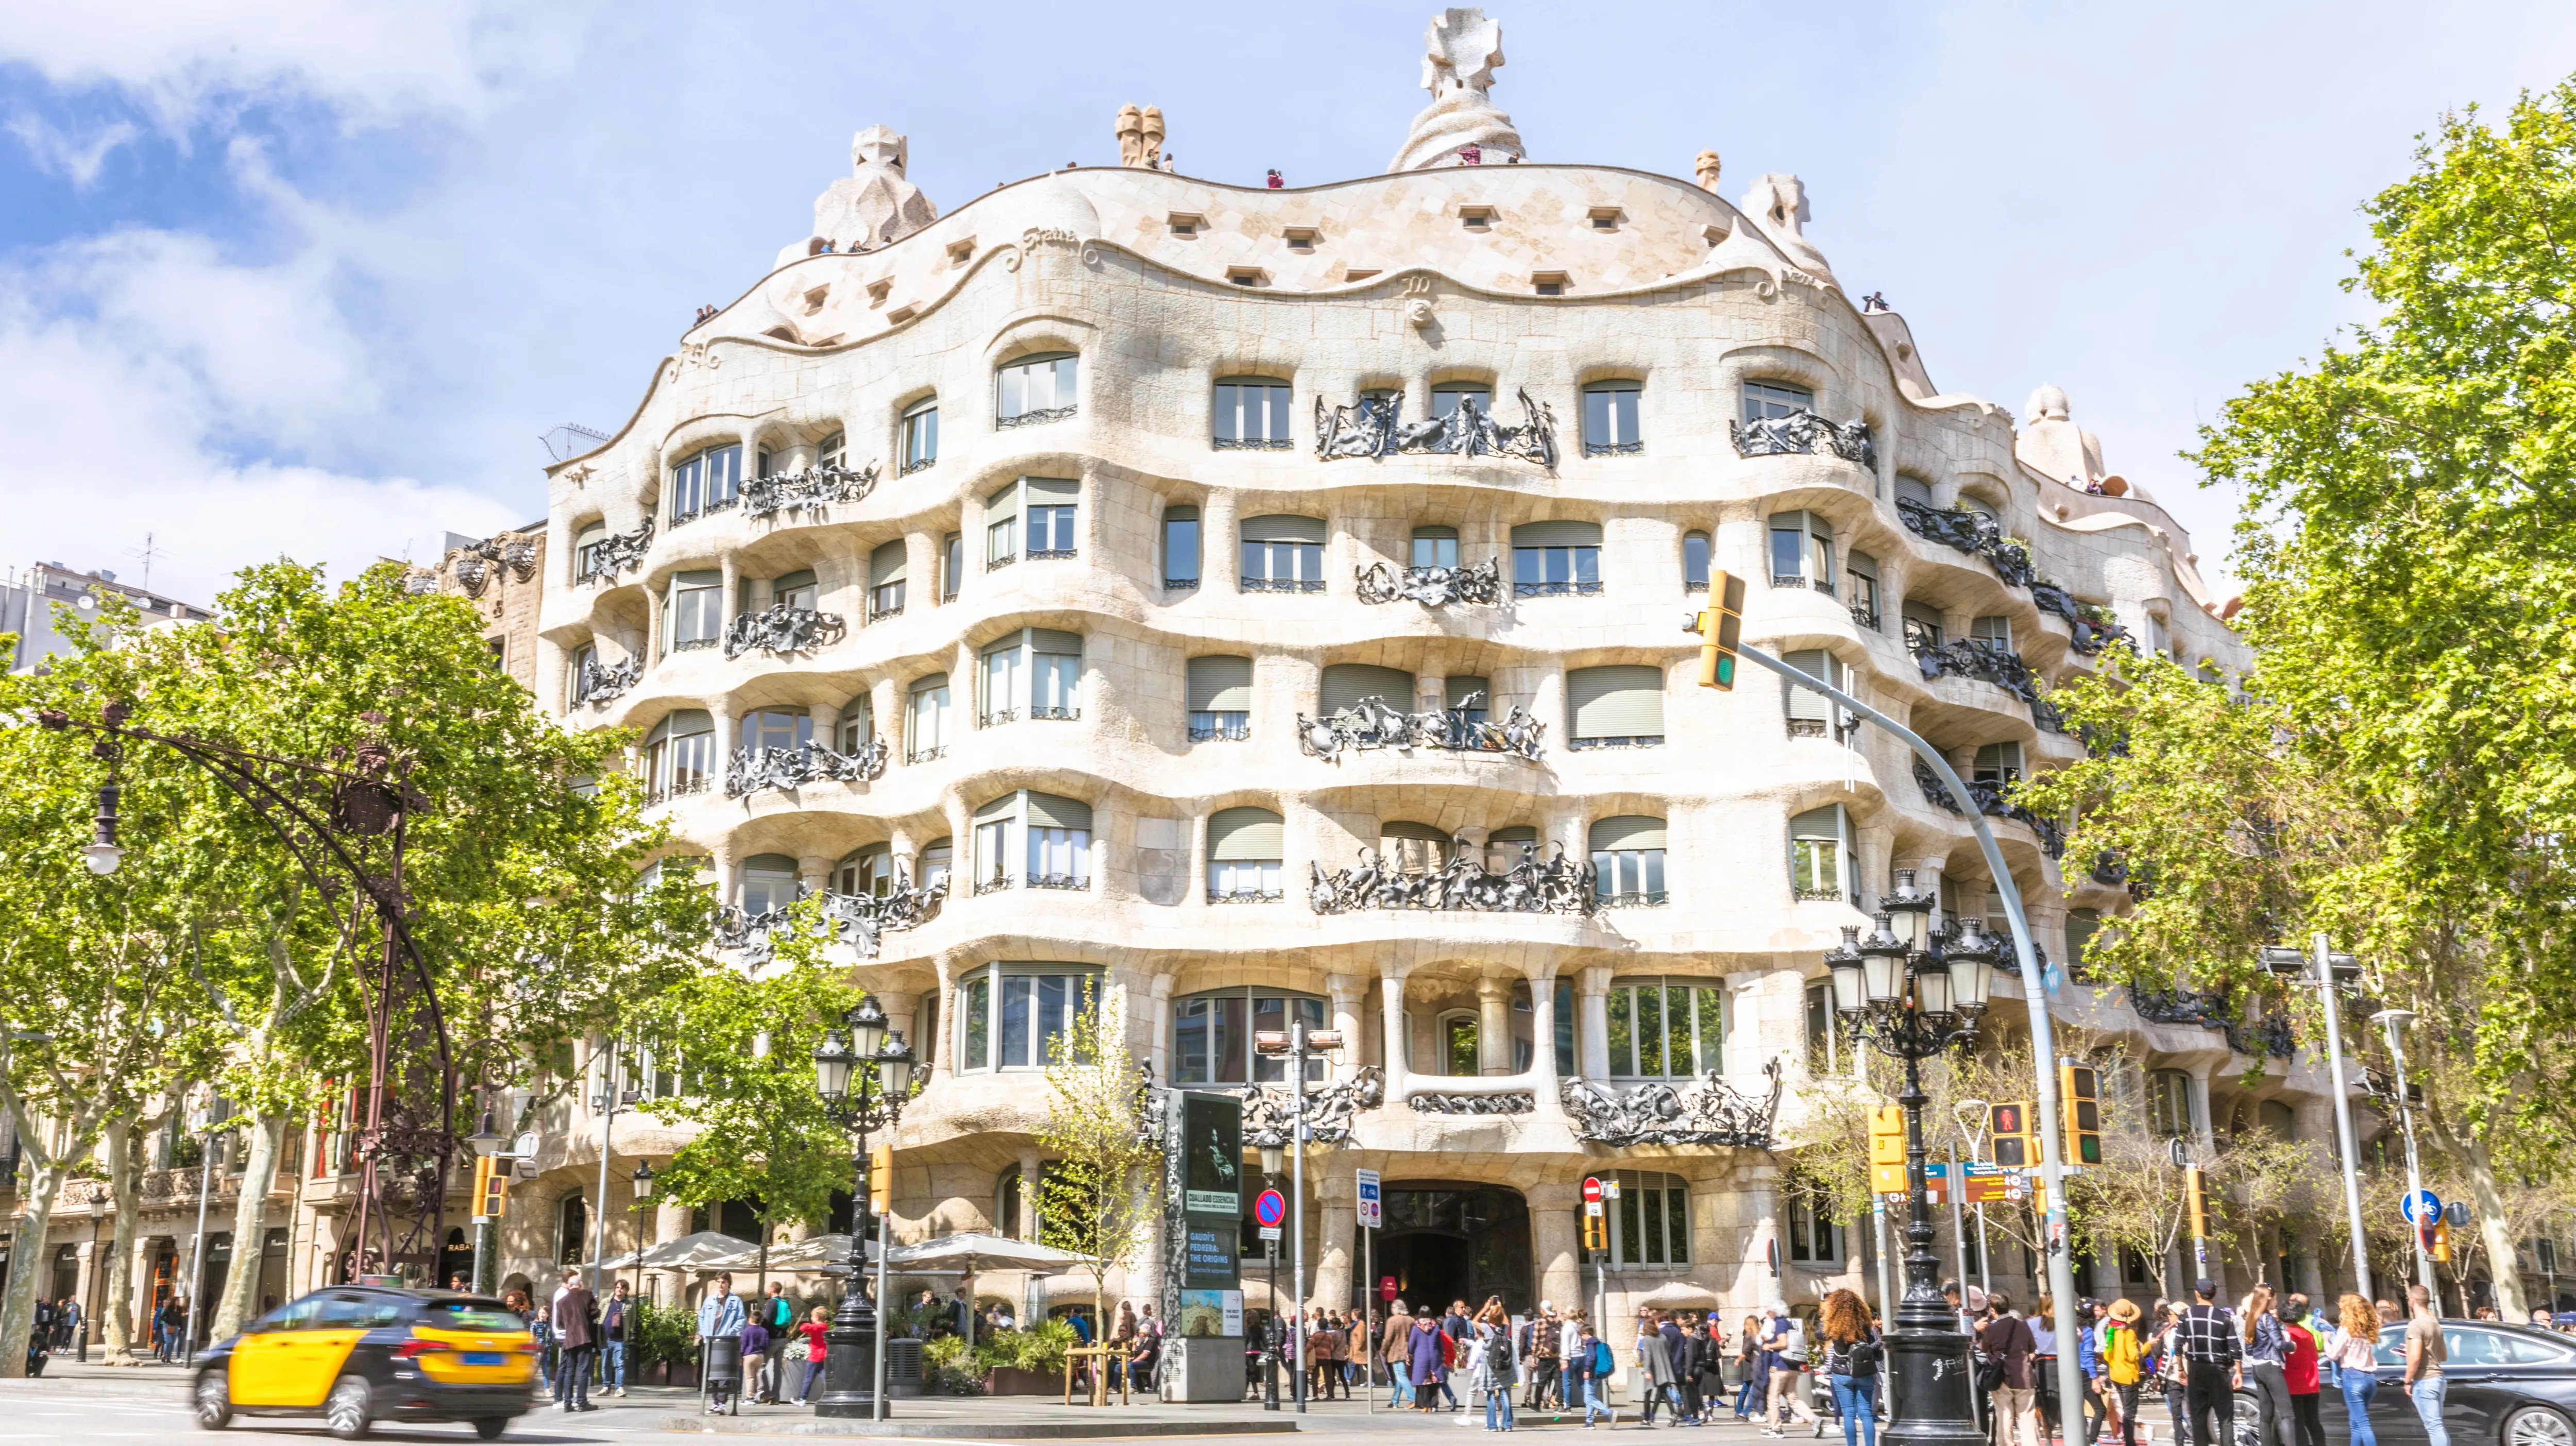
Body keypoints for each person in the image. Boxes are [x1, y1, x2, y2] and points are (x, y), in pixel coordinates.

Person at [2178, 1280, 2243, 1446]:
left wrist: (2180, 1369)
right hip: (2219, 1371)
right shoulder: (2224, 1317)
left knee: (2198, 1418)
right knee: (2225, 1419)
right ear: (2215, 1294)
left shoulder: (2186, 1316)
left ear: (2197, 1294)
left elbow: (2178, 1345)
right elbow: (2235, 1347)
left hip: (2196, 1370)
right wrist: (2239, 1372)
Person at [1820, 1288, 1883, 1446]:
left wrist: (1826, 1316)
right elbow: (1872, 1342)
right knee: (1866, 1413)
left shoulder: (1833, 1325)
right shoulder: (1865, 1323)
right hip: (1864, 1371)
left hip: (1842, 1373)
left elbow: (1820, 1334)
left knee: (1848, 1414)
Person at [1980, 1292, 2042, 1446]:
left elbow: (1983, 1348)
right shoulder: (2023, 1325)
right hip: (2024, 1376)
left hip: (2002, 1377)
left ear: (1992, 1310)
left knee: (2004, 1415)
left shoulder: (1991, 1329)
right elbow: (2032, 1347)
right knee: (2027, 1417)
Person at [2324, 1295, 2381, 1446]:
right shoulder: (2368, 1330)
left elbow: (2333, 1355)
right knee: (2356, 1423)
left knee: (2363, 1425)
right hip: (2370, 1378)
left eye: (2342, 1308)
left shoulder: (2346, 1330)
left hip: (2353, 1377)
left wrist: (2325, 1340)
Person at [2242, 1286, 2293, 1446]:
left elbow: (2249, 1350)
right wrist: (2292, 1346)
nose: (2277, 1302)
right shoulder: (2268, 1319)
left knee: (2265, 1417)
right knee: (2287, 1415)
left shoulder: (2252, 1318)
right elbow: (2279, 1344)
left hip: (2257, 1367)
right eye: (2275, 1299)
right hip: (2271, 1366)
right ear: (2269, 1298)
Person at [2402, 1284, 2448, 1446]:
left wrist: (2407, 1381)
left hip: (2425, 1380)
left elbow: (2415, 1358)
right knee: (2438, 1426)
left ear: (2412, 1300)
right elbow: (2443, 1356)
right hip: (2438, 1379)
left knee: (2434, 1427)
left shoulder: (2416, 1325)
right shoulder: (2435, 1323)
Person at [1762, 1304, 1819, 1435]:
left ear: (1774, 1312)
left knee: (1773, 1398)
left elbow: (1783, 1343)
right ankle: (1815, 1419)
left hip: (1780, 1367)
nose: (1768, 1314)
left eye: (1769, 1311)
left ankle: (1776, 1429)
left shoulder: (1780, 1323)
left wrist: (1769, 1346)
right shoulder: (1789, 1323)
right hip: (1792, 1367)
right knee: (1793, 1399)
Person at [698, 1272, 749, 1415]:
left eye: (724, 1282)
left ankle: (721, 1403)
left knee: (724, 1373)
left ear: (729, 1284)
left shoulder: (735, 1301)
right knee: (711, 1373)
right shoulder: (709, 1300)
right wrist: (704, 1333)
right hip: (710, 1341)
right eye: (719, 1282)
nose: (721, 1285)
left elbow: (741, 1320)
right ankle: (715, 1402)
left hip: (726, 1341)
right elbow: (701, 1317)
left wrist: (730, 1333)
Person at [550, 1267, 598, 1413]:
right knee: (583, 1369)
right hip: (584, 1337)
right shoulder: (587, 1294)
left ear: (570, 1285)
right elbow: (595, 1313)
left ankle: (567, 1404)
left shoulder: (561, 1301)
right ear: (580, 1284)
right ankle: (582, 1402)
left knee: (569, 1371)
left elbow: (560, 1325)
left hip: (569, 1339)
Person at [2100, 1299, 2146, 1446]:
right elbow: (2134, 1356)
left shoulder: (2111, 1332)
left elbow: (2107, 1355)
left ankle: (2128, 1441)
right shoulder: (2129, 1333)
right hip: (2128, 1376)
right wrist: (2147, 1347)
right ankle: (2130, 1442)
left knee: (2126, 1410)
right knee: (2130, 1412)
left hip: (2116, 1375)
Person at [2282, 1295, 2326, 1446]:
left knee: (2298, 1422)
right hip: (2312, 1383)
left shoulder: (2287, 1334)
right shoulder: (2308, 1333)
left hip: (2294, 1384)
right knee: (2313, 1421)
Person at [1476, 1298, 1518, 1430]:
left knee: (1491, 1396)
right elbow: (1507, 1322)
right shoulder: (1504, 1329)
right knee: (1504, 1393)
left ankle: (1492, 1425)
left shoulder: (1486, 1328)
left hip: (1491, 1367)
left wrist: (1485, 1308)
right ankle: (1507, 1424)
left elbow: (1474, 1322)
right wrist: (1501, 1308)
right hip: (1504, 1365)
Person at [1638, 1311, 1685, 1427]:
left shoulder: (1647, 1339)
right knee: (1664, 1393)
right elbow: (1667, 1352)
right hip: (1663, 1369)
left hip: (1652, 1369)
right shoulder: (1662, 1337)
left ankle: (1647, 1418)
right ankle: (1673, 1413)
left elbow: (1648, 1356)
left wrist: (1647, 1371)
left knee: (1648, 1394)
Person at [1411, 1307, 1454, 1411]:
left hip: (1421, 1357)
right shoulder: (1436, 1327)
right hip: (1434, 1356)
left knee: (1423, 1381)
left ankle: (1425, 1405)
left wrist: (1410, 1353)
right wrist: (1442, 1354)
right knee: (1434, 1381)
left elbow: (1412, 1344)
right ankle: (1434, 1405)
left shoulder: (1416, 1328)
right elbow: (1440, 1344)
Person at [1575, 1322, 1615, 1427]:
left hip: (1592, 1373)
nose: (1581, 1337)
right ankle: (1590, 1421)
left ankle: (1609, 1412)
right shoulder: (1597, 1342)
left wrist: (1587, 1370)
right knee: (1590, 1397)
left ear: (1587, 1333)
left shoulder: (1590, 1343)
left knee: (1588, 1399)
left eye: (1582, 1335)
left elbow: (1591, 1357)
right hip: (1597, 1374)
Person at [600, 1280, 633, 1397]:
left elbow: (633, 1319)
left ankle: (619, 1388)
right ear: (615, 1289)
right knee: (605, 1364)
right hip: (606, 1338)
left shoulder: (630, 1304)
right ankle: (606, 1387)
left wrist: (628, 1330)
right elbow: (599, 1315)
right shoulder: (606, 1301)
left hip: (620, 1339)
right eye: (618, 1287)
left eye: (622, 1288)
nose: (620, 1290)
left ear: (626, 1291)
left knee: (620, 1364)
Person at [795, 1305, 831, 1403]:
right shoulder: (825, 1327)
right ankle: (831, 1392)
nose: (811, 1318)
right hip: (823, 1355)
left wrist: (807, 1324)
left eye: (812, 1316)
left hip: (815, 1356)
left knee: (808, 1378)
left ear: (816, 1317)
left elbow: (803, 1328)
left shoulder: (816, 1327)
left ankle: (803, 1398)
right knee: (825, 1376)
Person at [1384, 1299, 1416, 1407]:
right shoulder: (1411, 1320)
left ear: (1395, 1309)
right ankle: (1395, 1401)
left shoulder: (1392, 1320)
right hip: (1408, 1351)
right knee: (1401, 1376)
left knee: (1401, 1376)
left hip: (1396, 1351)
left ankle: (1412, 1399)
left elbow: (1388, 1338)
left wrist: (1383, 1350)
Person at [1737, 1313, 1769, 1420]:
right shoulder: (1756, 1336)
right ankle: (1745, 1412)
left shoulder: (1751, 1336)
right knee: (1752, 1389)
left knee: (1749, 1388)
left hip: (1752, 1365)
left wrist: (1738, 1360)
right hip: (1754, 1365)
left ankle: (1742, 1411)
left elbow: (1745, 1352)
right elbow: (1746, 1352)